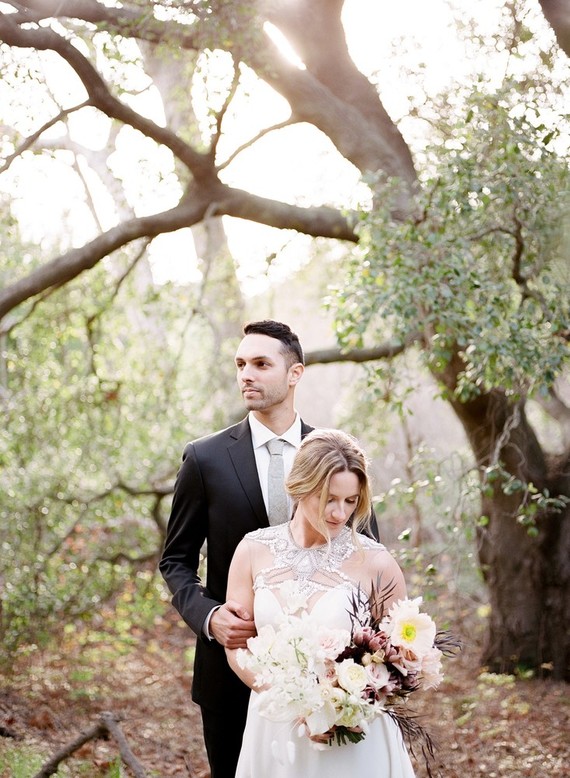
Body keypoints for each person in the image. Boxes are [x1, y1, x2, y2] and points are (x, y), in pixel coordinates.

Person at [159, 320, 313, 778]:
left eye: (261, 364)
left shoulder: (332, 453)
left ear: (295, 373)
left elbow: (366, 552)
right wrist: (209, 617)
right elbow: (176, 560)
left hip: (324, 667)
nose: (246, 374)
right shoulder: (204, 458)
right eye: (241, 364)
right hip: (231, 670)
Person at [226, 429, 416, 778]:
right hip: (274, 725)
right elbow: (236, 646)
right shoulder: (252, 550)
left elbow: (400, 661)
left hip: (349, 735)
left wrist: (345, 707)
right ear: (300, 486)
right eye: (329, 498)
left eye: (350, 501)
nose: (340, 513)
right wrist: (294, 703)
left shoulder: (377, 563)